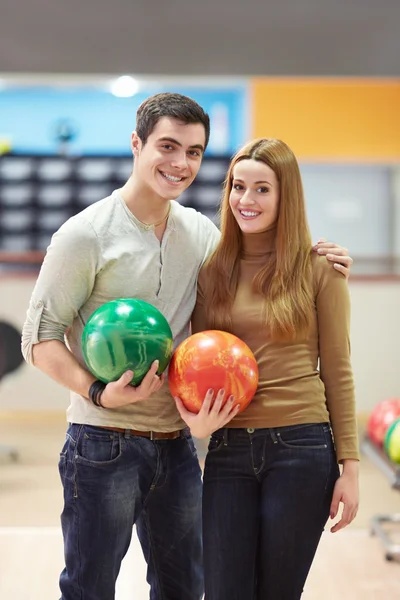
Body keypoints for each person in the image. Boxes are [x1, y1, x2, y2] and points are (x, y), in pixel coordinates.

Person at [21, 94, 353, 600]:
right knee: (89, 588)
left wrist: (312, 251)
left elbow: (260, 248)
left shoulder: (200, 234)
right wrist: (98, 392)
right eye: (168, 146)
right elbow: (38, 339)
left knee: (183, 588)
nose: (180, 164)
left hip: (177, 442)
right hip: (103, 441)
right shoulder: (83, 235)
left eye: (194, 152)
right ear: (137, 144)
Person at [174, 138, 359, 600]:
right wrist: (193, 421)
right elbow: (198, 361)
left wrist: (350, 469)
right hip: (229, 448)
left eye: (262, 189)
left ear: (285, 197)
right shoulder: (213, 270)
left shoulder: (320, 269)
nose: (246, 200)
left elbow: (337, 370)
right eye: (238, 186)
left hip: (302, 448)